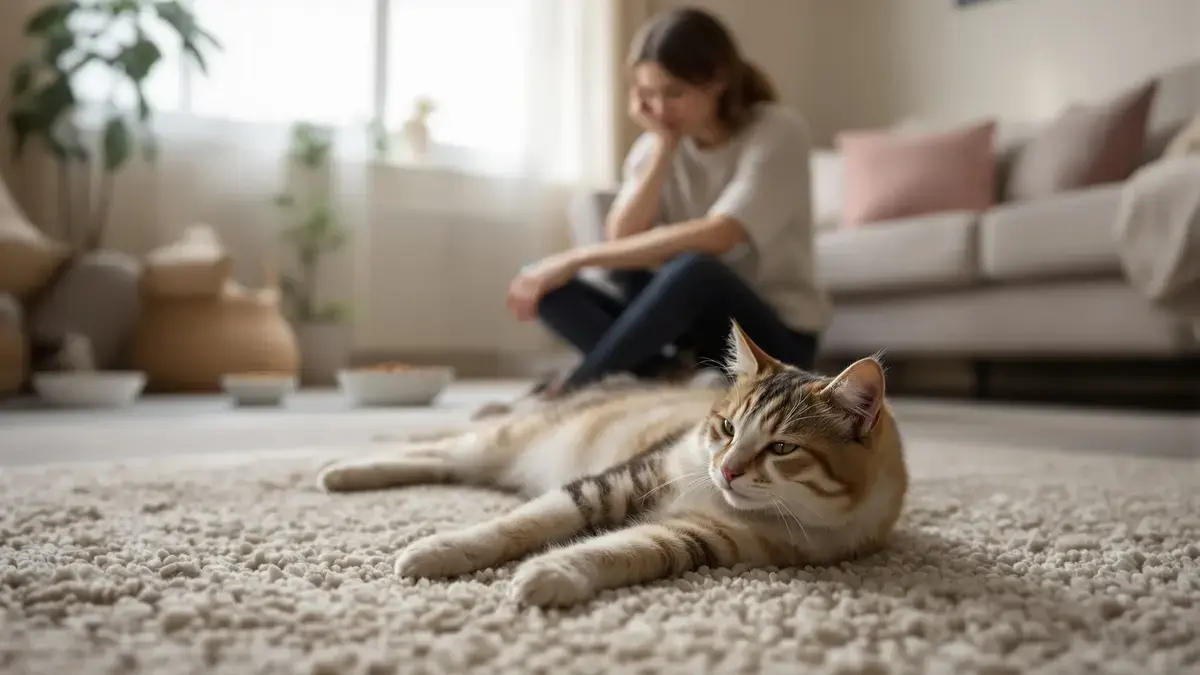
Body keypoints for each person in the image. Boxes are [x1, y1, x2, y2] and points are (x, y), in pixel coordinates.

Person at [504, 5, 832, 398]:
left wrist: (576, 257)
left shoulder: (776, 130)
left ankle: (577, 390)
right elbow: (621, 239)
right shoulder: (657, 142)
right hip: (690, 345)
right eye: (648, 94)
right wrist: (662, 145)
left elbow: (721, 235)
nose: (659, 109)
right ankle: (661, 377)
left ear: (717, 81)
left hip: (775, 343)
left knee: (695, 269)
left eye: (673, 93)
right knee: (543, 284)